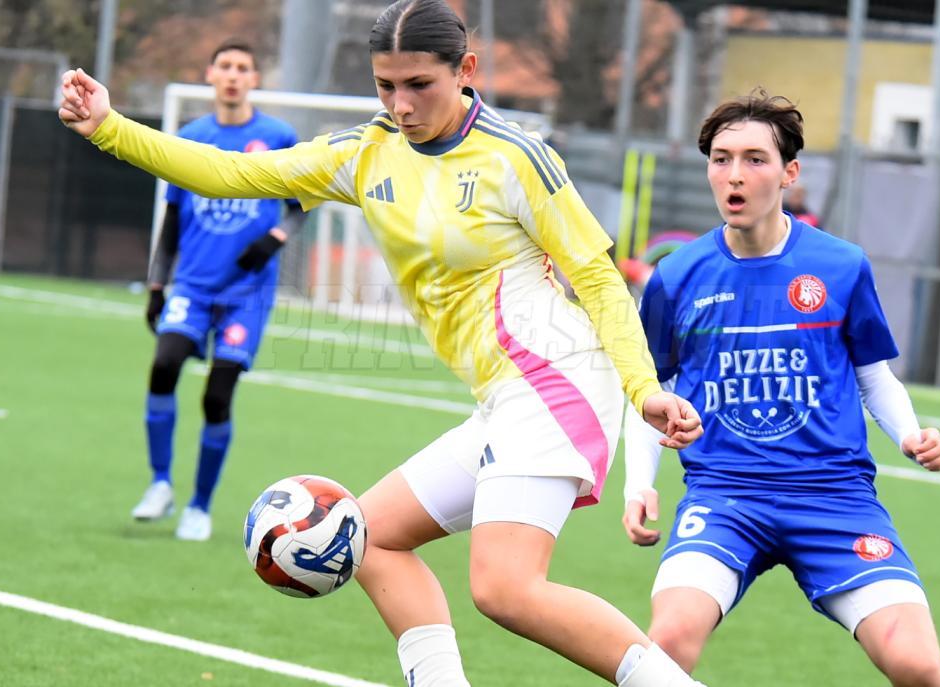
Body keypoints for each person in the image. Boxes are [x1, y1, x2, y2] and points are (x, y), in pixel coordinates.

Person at [60, 2, 709, 685]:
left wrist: (644, 389)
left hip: (555, 380)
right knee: (366, 536)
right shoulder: (364, 153)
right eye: (384, 85)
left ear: (466, 70)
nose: (400, 104)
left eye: (418, 85)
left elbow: (599, 279)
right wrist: (108, 127)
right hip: (503, 398)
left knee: (503, 588)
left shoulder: (515, 157)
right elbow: (233, 175)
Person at [621, 89, 940, 686]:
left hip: (834, 498)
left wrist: (911, 435)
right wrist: (638, 484)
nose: (735, 175)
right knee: (665, 641)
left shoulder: (842, 265)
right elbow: (653, 387)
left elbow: (873, 375)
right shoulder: (677, 275)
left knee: (919, 665)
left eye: (755, 159)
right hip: (725, 496)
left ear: (789, 173)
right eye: (721, 159)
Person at [130, 39, 300, 542]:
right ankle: (160, 483)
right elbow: (173, 215)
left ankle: (199, 507)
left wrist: (276, 239)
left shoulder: (277, 136)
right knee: (163, 367)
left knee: (217, 396)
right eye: (225, 66)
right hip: (192, 286)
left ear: (254, 79)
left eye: (242, 68)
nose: (232, 75)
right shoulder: (190, 137)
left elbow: (302, 202)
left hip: (246, 292)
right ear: (210, 74)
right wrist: (158, 284)